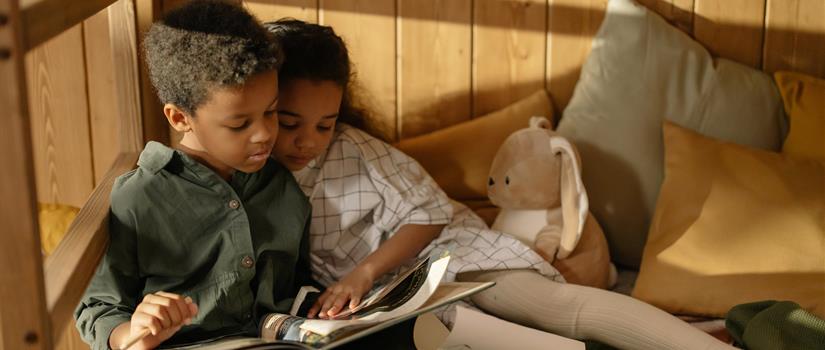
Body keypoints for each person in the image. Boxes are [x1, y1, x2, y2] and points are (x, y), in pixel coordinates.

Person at [264, 19, 735, 350]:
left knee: (556, 309)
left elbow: (429, 214)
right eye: (290, 123)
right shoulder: (256, 174)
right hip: (389, 303)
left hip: (447, 256)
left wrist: (361, 274)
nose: (309, 142)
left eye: (324, 124)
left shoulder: (353, 148)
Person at [74, 2, 312, 350]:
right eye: (239, 124)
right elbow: (98, 308)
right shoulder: (139, 198)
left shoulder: (281, 185)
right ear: (180, 118)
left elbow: (300, 283)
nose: (264, 133)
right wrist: (133, 334)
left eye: (272, 111)